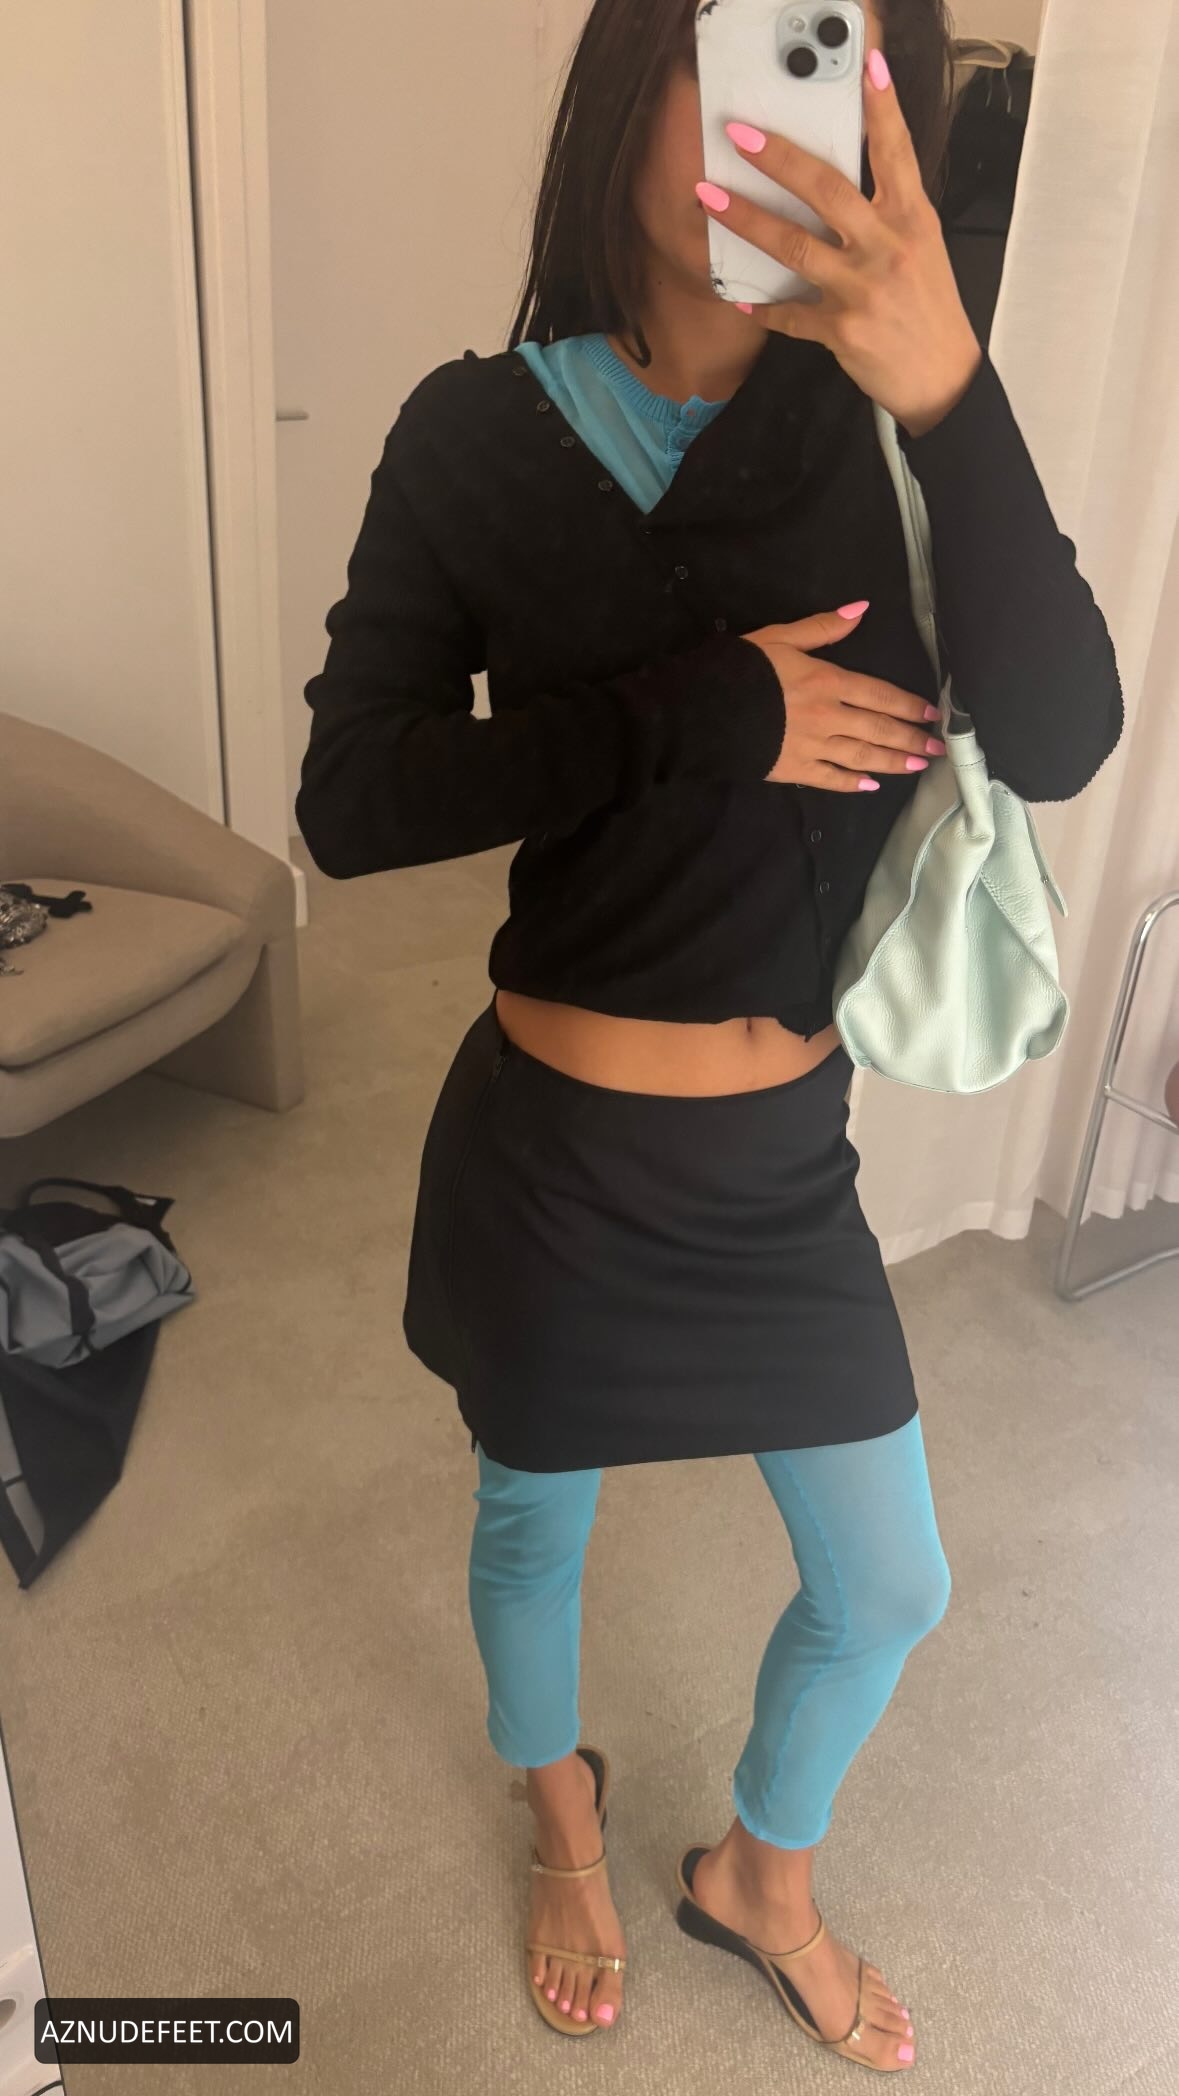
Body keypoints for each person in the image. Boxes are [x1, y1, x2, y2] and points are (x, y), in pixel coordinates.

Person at [296, 0, 1123, 2068]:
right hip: (553, 1157)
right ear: (629, 77)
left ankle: (762, 1870)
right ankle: (562, 1818)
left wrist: (952, 393)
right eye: (746, 42)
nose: (787, 118)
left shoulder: (888, 417)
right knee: (529, 1529)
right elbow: (353, 799)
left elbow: (1061, 733)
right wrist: (704, 711)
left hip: (776, 1168)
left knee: (889, 1581)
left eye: (832, 61)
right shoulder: (474, 431)